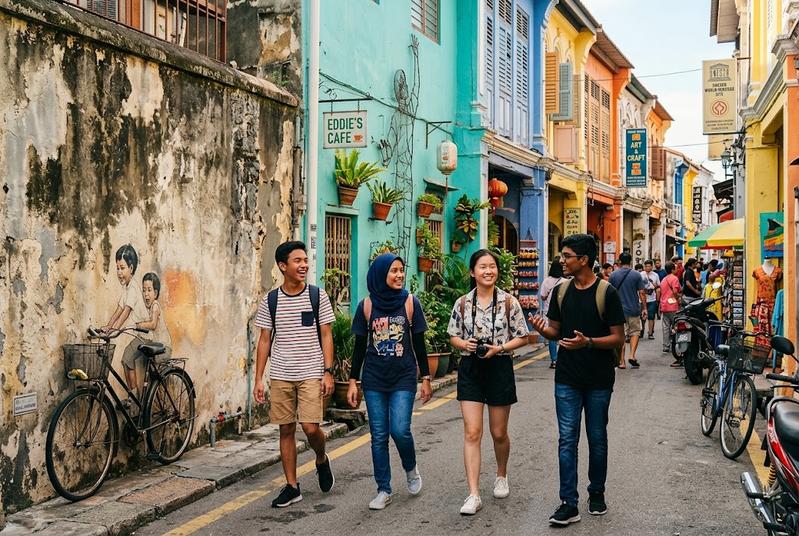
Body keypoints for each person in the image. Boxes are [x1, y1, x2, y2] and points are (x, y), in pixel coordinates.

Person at [529, 234, 625, 526]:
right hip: (567, 378)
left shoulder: (606, 293)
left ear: (583, 260)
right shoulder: (561, 290)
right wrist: (541, 329)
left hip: (598, 379)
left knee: (597, 438)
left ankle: (596, 492)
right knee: (566, 440)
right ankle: (568, 503)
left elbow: (618, 337)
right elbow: (556, 331)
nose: (562, 260)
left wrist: (589, 342)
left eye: (567, 255)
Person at [253, 241, 336, 508]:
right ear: (282, 266)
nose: (304, 265)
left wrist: (327, 371)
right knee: (286, 429)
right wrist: (258, 378)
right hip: (281, 374)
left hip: (311, 372)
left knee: (311, 428)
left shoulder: (317, 295)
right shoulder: (271, 300)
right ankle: (292, 486)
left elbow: (326, 334)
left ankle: (321, 458)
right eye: (297, 261)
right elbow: (265, 339)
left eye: (305, 260)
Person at [448, 249, 530, 516]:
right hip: (470, 368)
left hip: (499, 366)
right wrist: (466, 344)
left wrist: (501, 348)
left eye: (492, 266)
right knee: (472, 432)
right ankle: (473, 494)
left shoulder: (509, 302)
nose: (488, 271)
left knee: (498, 433)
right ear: (473, 272)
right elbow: (453, 337)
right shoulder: (462, 303)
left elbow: (523, 336)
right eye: (482, 267)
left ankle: (501, 474)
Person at [348, 253, 433, 510]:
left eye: (401, 270)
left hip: (403, 377)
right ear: (380, 274)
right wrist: (353, 381)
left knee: (400, 429)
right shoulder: (367, 306)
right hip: (374, 378)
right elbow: (359, 348)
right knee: (378, 436)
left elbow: (419, 342)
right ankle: (383, 488)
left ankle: (410, 468)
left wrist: (426, 378)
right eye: (393, 270)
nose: (399, 275)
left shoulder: (410, 302)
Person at [102, 244, 150, 396]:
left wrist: (115, 329)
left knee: (127, 359)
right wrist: (108, 326)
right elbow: (119, 309)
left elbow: (126, 312)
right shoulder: (127, 288)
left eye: (122, 268)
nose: (119, 272)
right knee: (126, 361)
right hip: (139, 335)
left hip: (145, 335)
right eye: (117, 268)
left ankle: (134, 399)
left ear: (131, 268)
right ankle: (133, 396)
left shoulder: (134, 289)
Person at [608, 253, 646, 369]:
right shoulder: (636, 275)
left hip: (618, 310)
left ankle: (622, 361)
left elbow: (609, 293)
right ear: (630, 261)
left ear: (619, 261)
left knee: (621, 335)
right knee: (635, 332)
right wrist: (644, 308)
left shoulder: (613, 275)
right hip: (634, 309)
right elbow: (641, 292)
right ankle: (632, 356)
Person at [132, 272, 173, 370]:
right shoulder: (149, 308)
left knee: (153, 370)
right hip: (158, 347)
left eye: (149, 290)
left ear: (155, 293)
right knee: (152, 372)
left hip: (164, 348)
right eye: (144, 290)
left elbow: (153, 325)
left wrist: (140, 325)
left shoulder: (155, 306)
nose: (146, 294)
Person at [540, 258, 567, 369]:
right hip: (563, 312)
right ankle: (562, 359)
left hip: (549, 312)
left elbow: (542, 296)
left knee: (552, 336)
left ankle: (554, 360)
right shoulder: (565, 282)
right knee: (564, 336)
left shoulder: (546, 281)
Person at [659, 262, 682, 364]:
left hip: (664, 306)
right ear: (672, 269)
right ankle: (677, 344)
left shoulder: (663, 279)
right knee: (676, 326)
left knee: (665, 326)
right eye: (675, 268)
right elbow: (676, 291)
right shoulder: (674, 278)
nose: (677, 270)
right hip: (673, 305)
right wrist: (678, 299)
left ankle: (666, 346)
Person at [641, 261, 661, 340]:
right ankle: (641, 331)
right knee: (642, 317)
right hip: (642, 299)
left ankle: (650, 333)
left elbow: (658, 287)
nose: (647, 268)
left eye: (649, 266)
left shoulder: (655, 275)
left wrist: (658, 299)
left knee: (651, 317)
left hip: (652, 298)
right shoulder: (640, 275)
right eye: (646, 266)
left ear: (652, 267)